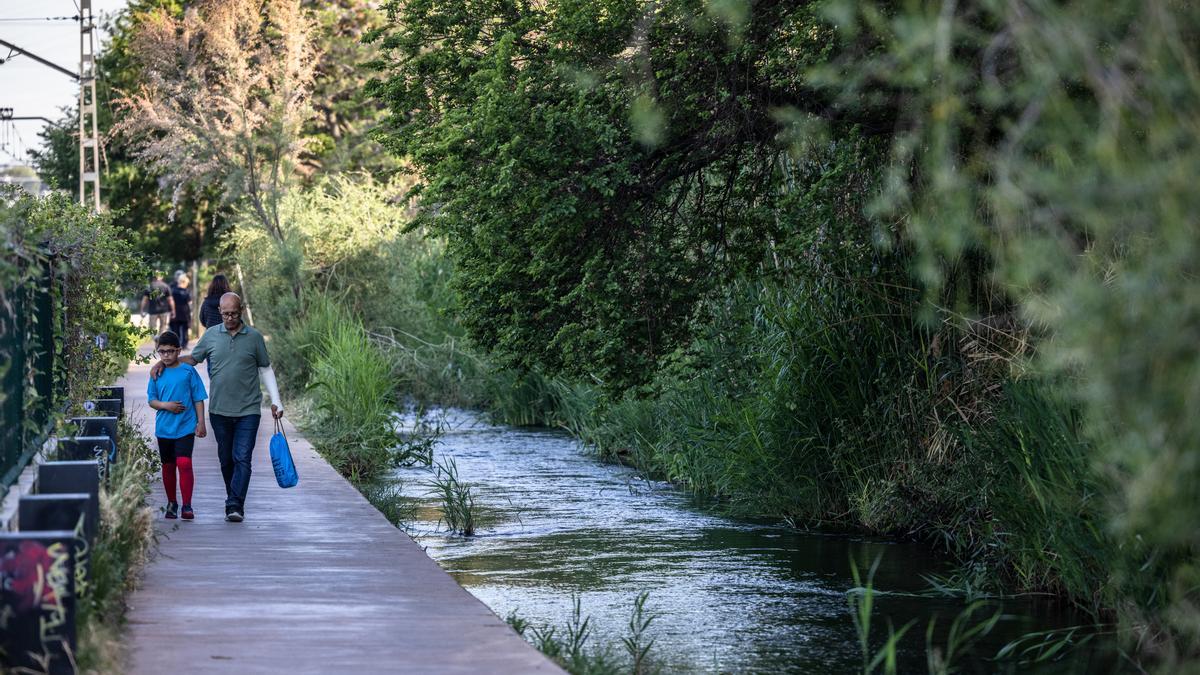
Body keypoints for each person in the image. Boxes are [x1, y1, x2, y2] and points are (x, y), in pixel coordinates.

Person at [152, 293, 283, 523]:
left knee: (242, 457)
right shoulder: (212, 335)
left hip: (249, 410)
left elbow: (266, 369)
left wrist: (276, 400)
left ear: (240, 310)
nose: (229, 318)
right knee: (226, 460)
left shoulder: (254, 337)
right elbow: (194, 359)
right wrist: (164, 362)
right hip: (220, 410)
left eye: (233, 313)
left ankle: (235, 504)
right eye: (225, 314)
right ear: (220, 312)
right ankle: (233, 496)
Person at [147, 331, 208, 520]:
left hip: (185, 426)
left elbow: (198, 397)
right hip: (164, 428)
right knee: (168, 466)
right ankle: (172, 502)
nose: (166, 355)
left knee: (184, 462)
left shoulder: (188, 371)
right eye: (162, 352)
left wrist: (201, 422)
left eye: (171, 351)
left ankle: (187, 505)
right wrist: (167, 406)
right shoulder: (156, 373)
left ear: (178, 351)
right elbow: (152, 400)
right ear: (158, 352)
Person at [139, 273, 175, 341]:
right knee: (163, 327)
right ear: (161, 277)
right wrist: (173, 310)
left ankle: (155, 338)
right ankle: (161, 339)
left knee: (153, 328)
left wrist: (141, 310)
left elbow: (144, 300)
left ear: (153, 277)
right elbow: (170, 300)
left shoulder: (149, 286)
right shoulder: (165, 286)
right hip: (164, 310)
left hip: (153, 310)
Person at [169, 274, 193, 349]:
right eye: (187, 283)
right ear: (184, 282)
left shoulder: (173, 290)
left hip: (175, 313)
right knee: (185, 330)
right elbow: (190, 303)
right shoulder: (186, 291)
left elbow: (170, 302)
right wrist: (191, 313)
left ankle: (176, 345)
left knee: (175, 330)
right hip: (185, 313)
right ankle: (184, 345)